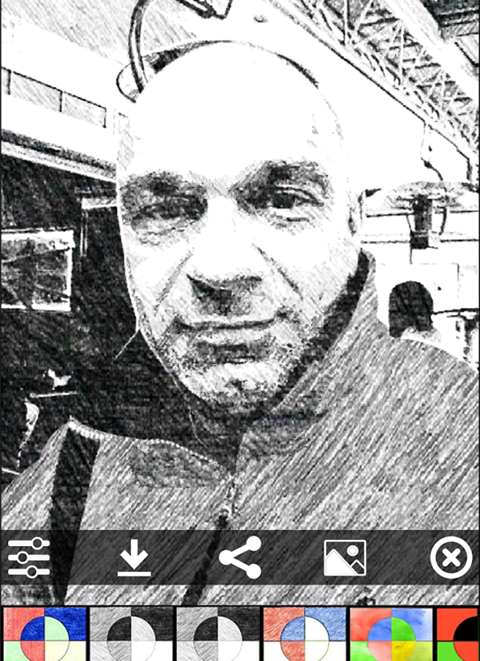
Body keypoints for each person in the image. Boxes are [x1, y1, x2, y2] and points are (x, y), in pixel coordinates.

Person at [2, 42, 478, 607]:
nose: (220, 267)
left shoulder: (463, 443)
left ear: (354, 220)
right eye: (164, 209)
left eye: (282, 199)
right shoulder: (70, 480)